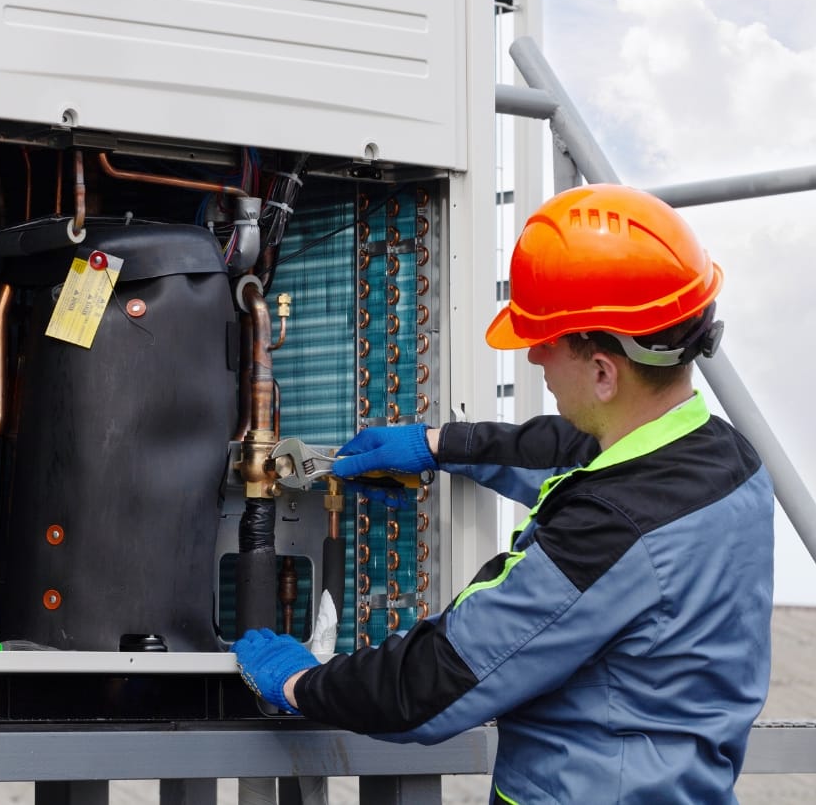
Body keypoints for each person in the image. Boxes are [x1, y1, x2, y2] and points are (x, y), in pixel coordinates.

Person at [233, 184, 774, 804]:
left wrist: (301, 682)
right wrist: (439, 443)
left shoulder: (612, 532)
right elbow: (571, 452)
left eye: (547, 340)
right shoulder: (727, 460)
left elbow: (439, 680)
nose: (536, 356)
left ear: (603, 371)